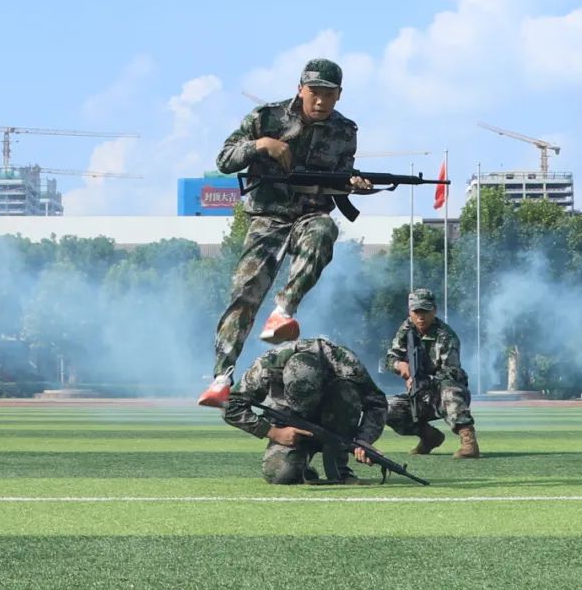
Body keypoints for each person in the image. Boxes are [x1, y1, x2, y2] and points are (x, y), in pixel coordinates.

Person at [198, 58, 370, 406]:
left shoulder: (345, 131)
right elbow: (224, 159)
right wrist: (263, 144)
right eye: (315, 93)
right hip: (268, 217)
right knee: (244, 294)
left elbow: (338, 182)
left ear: (340, 95)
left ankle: (284, 310)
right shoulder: (267, 117)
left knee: (324, 230)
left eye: (329, 94)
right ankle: (221, 377)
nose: (321, 101)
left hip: (310, 214)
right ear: (300, 89)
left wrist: (355, 186)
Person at [221, 337, 388, 484]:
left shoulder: (345, 364)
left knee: (346, 391)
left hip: (335, 421)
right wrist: (273, 432)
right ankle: (302, 466)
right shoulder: (266, 366)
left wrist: (363, 439)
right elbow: (230, 405)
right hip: (290, 426)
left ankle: (339, 466)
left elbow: (376, 402)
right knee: (281, 476)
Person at [383, 288, 480, 459]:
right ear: (410, 311)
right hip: (420, 394)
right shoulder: (406, 330)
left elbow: (452, 373)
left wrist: (421, 380)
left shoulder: (446, 336)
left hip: (445, 393)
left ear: (434, 310)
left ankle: (468, 441)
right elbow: (390, 359)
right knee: (387, 408)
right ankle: (429, 436)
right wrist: (400, 366)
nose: (421, 317)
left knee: (450, 391)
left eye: (426, 311)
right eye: (416, 311)